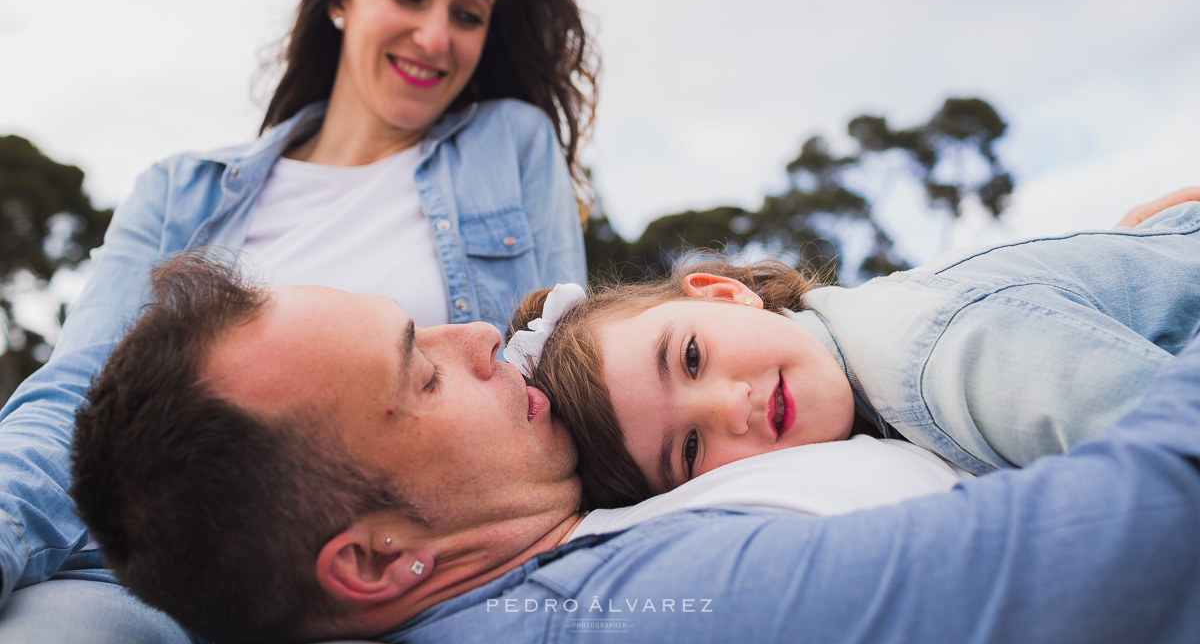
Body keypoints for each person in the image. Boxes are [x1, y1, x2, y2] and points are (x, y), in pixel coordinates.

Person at [0, 0, 597, 642]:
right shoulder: (182, 190)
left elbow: (558, 357)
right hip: (142, 582)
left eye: (469, 13)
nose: (436, 37)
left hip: (414, 579)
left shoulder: (509, 143)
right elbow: (79, 394)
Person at [69, 249, 1200, 644]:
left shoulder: (568, 549)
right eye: (419, 369)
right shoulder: (637, 609)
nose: (478, 336)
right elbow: (1145, 536)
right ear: (375, 556)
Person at [512, 192, 1200, 508]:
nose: (731, 406)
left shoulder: (936, 359)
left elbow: (1179, 459)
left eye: (691, 358)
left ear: (725, 295)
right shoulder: (871, 373)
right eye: (689, 449)